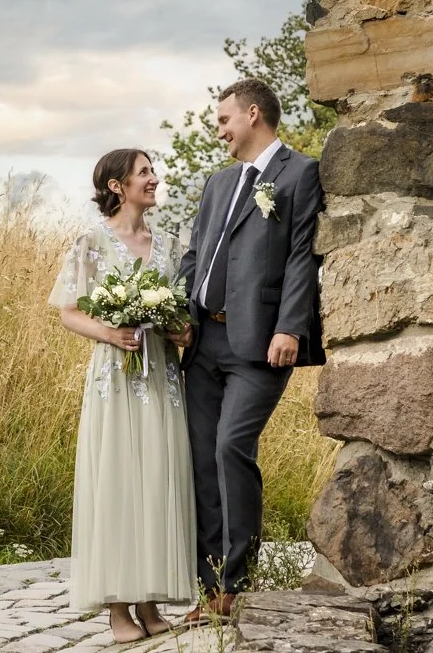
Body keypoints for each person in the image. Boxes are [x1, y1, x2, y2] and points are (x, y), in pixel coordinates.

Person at [177, 77, 324, 616]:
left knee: (230, 448)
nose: (219, 132)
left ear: (253, 115)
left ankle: (235, 584)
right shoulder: (218, 184)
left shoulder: (300, 173)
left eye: (223, 121)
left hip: (262, 343)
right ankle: (210, 587)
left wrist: (290, 327)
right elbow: (196, 255)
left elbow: (302, 256)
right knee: (200, 459)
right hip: (202, 340)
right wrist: (182, 316)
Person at [51, 148, 197, 644]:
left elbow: (183, 312)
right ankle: (117, 609)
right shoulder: (90, 243)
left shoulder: (171, 245)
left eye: (152, 171)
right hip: (114, 377)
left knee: (157, 478)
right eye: (144, 173)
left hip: (161, 377)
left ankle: (150, 601)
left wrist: (182, 331)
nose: (154, 179)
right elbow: (69, 310)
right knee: (117, 480)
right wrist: (108, 332)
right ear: (117, 186)